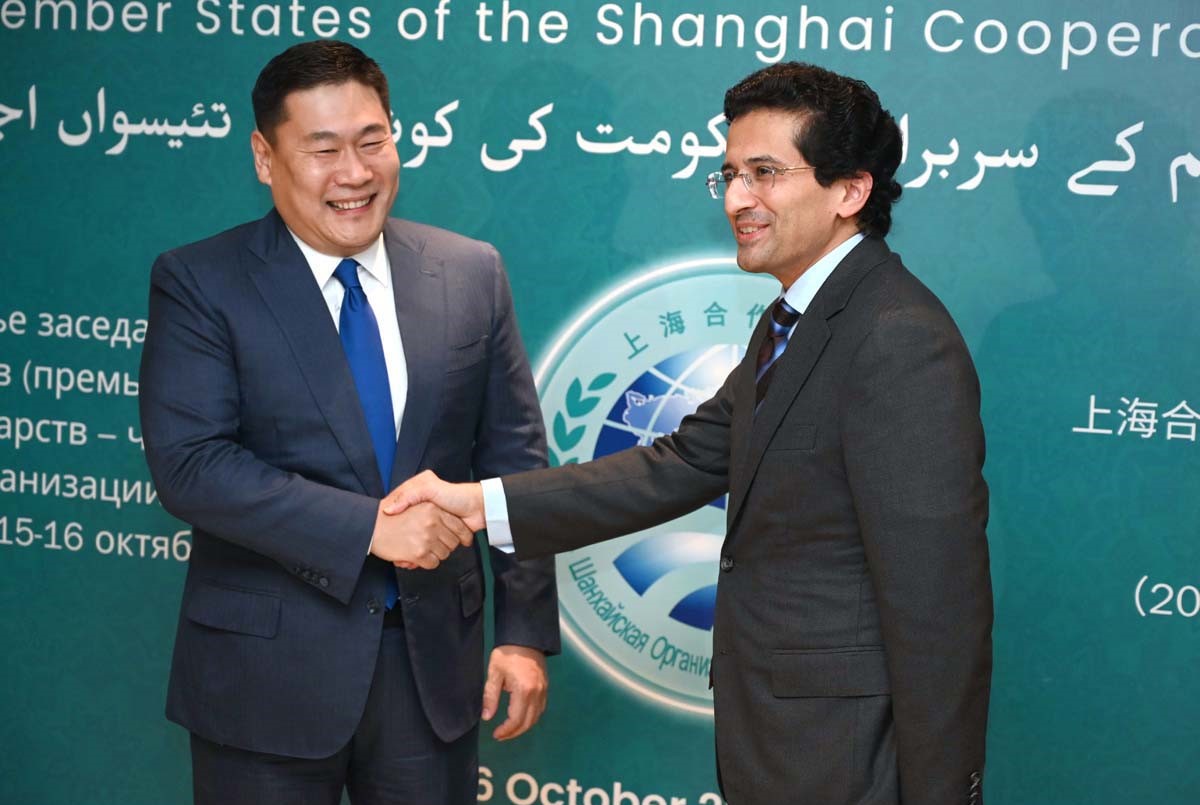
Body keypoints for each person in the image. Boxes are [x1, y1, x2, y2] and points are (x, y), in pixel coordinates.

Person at [385, 62, 992, 804]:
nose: (737, 198)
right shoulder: (795, 318)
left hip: (849, 759)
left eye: (765, 173)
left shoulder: (896, 336)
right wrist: (479, 504)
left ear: (850, 191)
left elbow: (938, 605)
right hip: (781, 746)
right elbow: (678, 463)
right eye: (730, 174)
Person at [138, 40, 559, 805]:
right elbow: (192, 465)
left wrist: (524, 629)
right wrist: (372, 528)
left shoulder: (470, 272)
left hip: (431, 672)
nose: (355, 173)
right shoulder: (201, 282)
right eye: (323, 149)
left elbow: (515, 462)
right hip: (264, 675)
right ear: (265, 157)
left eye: (372, 141)